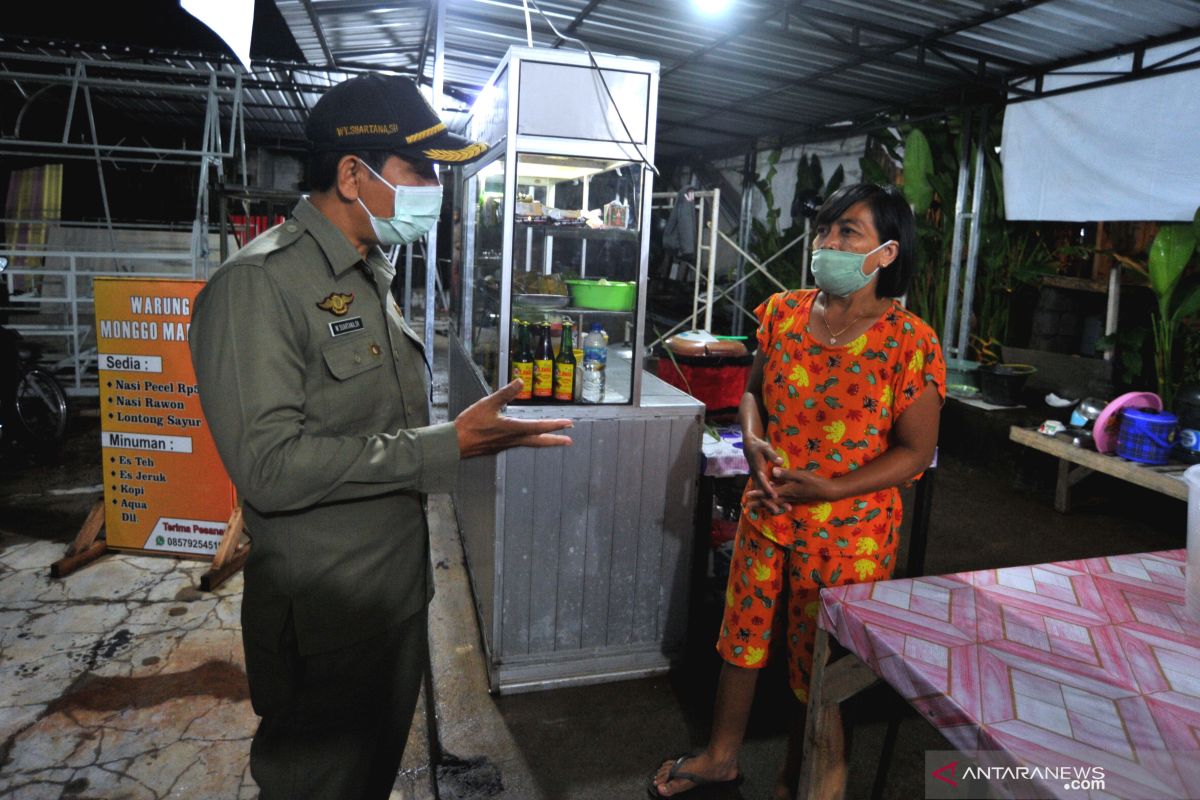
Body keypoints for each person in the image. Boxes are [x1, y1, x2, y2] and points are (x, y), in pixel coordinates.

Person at [189, 73, 572, 800]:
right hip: (327, 614)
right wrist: (445, 445)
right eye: (420, 170)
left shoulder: (369, 273)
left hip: (391, 595)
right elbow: (268, 466)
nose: (435, 187)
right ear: (351, 173)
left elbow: (367, 430)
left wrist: (448, 441)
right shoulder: (260, 286)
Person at [650, 183, 945, 799]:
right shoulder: (783, 310)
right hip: (770, 508)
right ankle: (722, 756)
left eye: (847, 233)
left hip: (852, 532)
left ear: (886, 253)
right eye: (825, 230)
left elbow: (915, 453)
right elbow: (752, 391)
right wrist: (753, 442)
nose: (827, 243)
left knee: (825, 665)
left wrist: (831, 487)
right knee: (743, 634)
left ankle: (804, 779)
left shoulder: (909, 340)